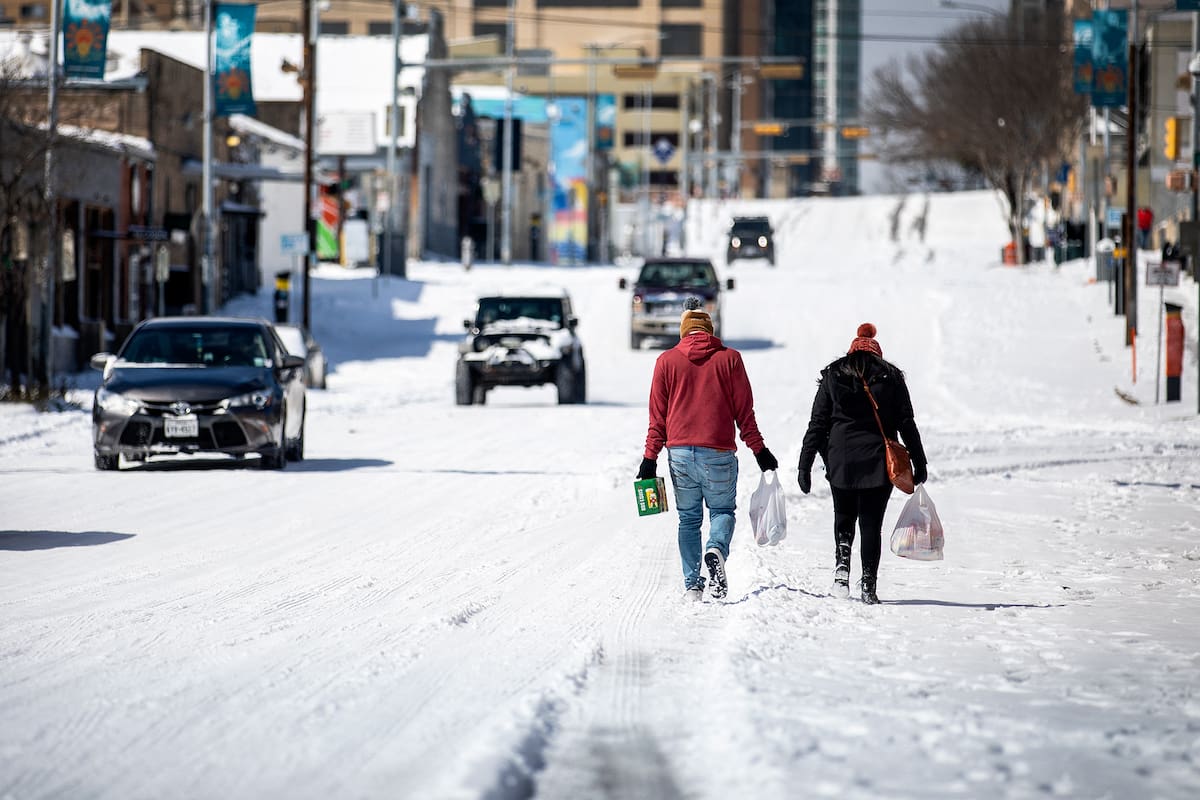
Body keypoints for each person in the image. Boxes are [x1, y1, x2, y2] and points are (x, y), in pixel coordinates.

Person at [638, 297, 778, 601]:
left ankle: (692, 586)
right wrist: (759, 450)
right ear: (710, 331)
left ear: (683, 331)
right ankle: (715, 548)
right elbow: (745, 413)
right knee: (722, 510)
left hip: (679, 455)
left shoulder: (666, 362)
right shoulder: (730, 359)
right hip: (718, 453)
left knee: (688, 519)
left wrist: (649, 459)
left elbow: (657, 418)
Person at [796, 323, 927, 605]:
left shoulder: (833, 375)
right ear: (877, 353)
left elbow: (817, 424)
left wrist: (804, 465)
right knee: (871, 525)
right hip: (878, 462)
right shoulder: (891, 377)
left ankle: (842, 570)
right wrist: (919, 461)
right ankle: (869, 584)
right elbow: (906, 423)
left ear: (852, 351)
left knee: (843, 517)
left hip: (840, 460)